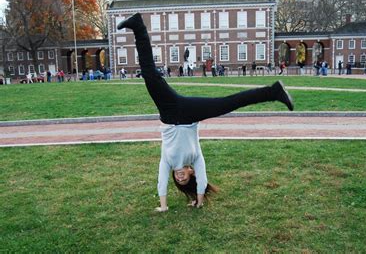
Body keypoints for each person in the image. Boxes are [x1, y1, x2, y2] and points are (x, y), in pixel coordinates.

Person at [118, 13, 294, 212]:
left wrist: (164, 206)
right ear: (190, 172)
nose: (179, 177)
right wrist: (199, 200)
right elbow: (202, 179)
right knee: (228, 103)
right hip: (189, 113)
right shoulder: (196, 159)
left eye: (178, 179)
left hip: (169, 112)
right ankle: (274, 92)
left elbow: (161, 179)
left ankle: (138, 27)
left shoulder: (167, 161)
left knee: (149, 75)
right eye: (184, 178)